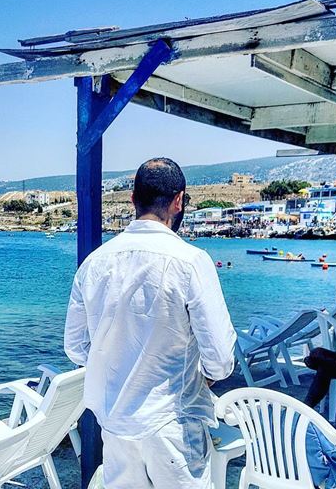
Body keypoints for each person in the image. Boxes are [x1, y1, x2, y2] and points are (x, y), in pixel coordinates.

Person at [64, 158, 236, 489]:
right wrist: (205, 376)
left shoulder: (94, 263)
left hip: (115, 422)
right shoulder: (190, 261)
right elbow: (220, 358)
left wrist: (116, 365)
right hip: (172, 422)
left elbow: (75, 347)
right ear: (178, 200)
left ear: (132, 199)